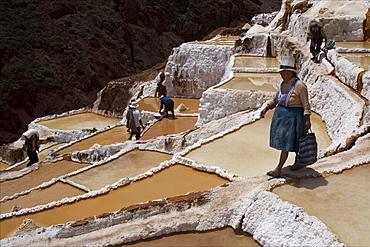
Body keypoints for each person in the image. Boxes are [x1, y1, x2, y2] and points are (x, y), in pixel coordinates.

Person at [260, 56, 311, 178]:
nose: (282, 75)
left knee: (287, 144)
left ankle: (278, 169)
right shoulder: (283, 84)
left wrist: (307, 119)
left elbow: (306, 104)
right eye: (281, 73)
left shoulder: (300, 86)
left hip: (294, 118)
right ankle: (299, 163)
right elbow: (276, 99)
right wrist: (266, 108)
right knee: (292, 142)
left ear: (291, 73)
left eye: (285, 73)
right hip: (282, 118)